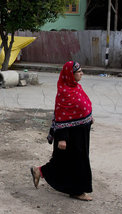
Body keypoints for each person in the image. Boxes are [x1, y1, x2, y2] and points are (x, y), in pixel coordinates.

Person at [31, 61, 94, 201]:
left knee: (67, 161)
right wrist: (62, 138)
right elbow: (61, 116)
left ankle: (39, 171)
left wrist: (89, 116)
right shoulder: (64, 92)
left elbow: (84, 105)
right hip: (70, 135)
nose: (81, 73)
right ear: (70, 75)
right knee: (73, 161)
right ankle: (77, 191)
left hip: (81, 133)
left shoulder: (77, 87)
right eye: (79, 71)